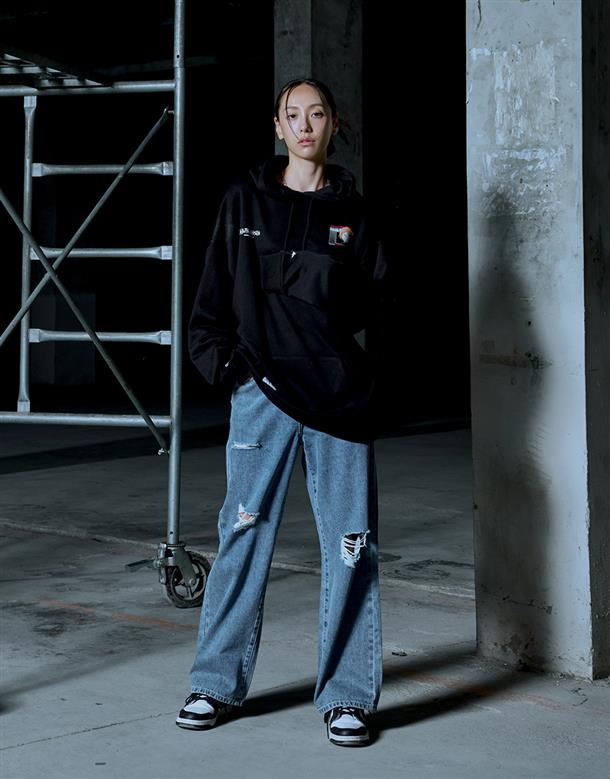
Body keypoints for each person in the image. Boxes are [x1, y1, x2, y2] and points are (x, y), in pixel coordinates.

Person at [176, 77, 394, 747]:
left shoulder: (355, 213)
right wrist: (227, 366)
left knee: (351, 546)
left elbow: (378, 302)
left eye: (316, 114)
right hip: (261, 396)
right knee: (243, 534)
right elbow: (212, 292)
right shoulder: (244, 201)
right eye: (292, 115)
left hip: (337, 402)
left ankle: (349, 697)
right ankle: (215, 683)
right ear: (277, 126)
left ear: (333, 125)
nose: (304, 125)